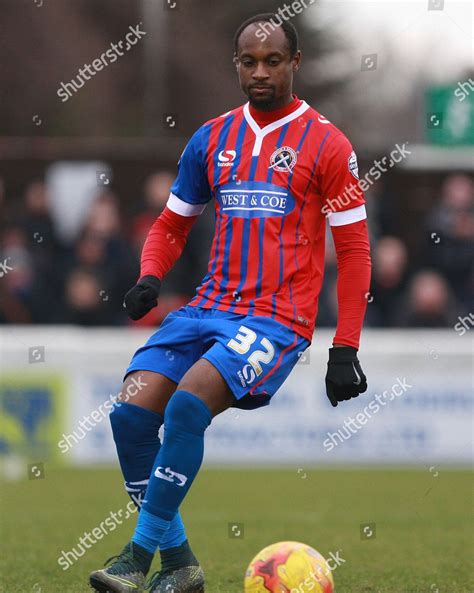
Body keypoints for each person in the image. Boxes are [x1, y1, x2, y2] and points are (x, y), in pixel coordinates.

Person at [89, 13, 372, 593]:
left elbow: (356, 253)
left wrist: (345, 346)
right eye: (249, 62)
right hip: (205, 307)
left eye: (273, 61)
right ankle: (181, 564)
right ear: (236, 66)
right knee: (129, 413)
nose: (260, 72)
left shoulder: (328, 144)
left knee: (188, 406)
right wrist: (150, 275)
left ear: (295, 63)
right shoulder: (211, 138)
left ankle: (135, 559)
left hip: (276, 319)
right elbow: (171, 225)